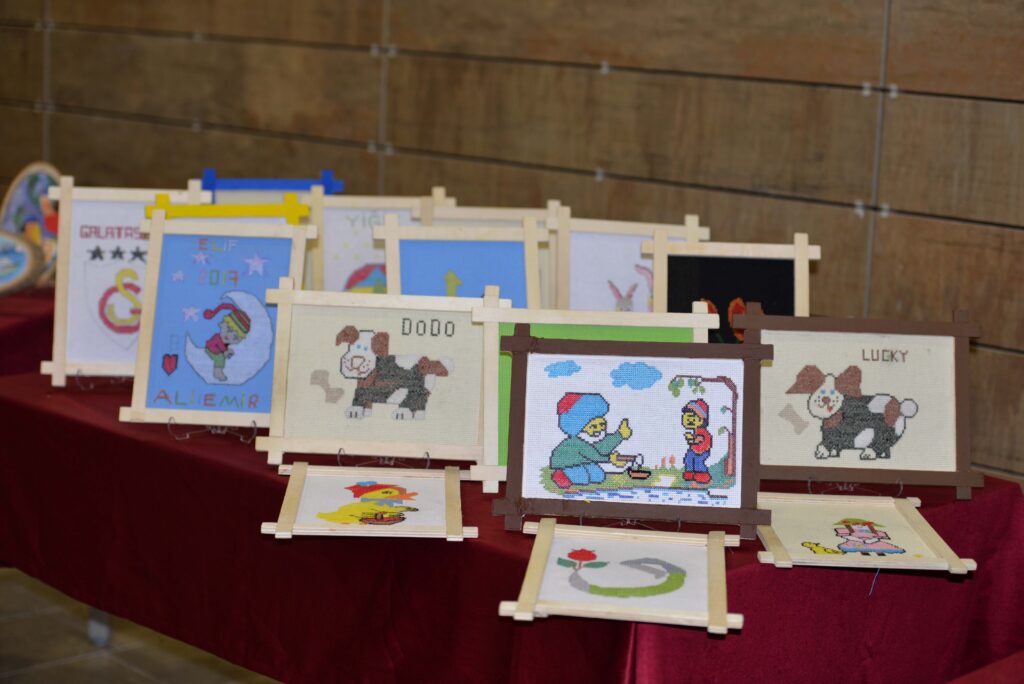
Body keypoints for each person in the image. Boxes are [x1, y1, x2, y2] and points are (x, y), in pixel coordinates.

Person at [550, 392, 632, 489]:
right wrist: (610, 459)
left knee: (599, 477)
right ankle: (561, 473)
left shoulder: (590, 440)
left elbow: (601, 448)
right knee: (582, 479)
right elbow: (594, 455)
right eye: (594, 426)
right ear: (580, 427)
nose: (600, 429)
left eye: (602, 424)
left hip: (584, 461)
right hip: (567, 463)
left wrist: (620, 435)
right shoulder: (576, 442)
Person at [202, 302, 250, 381]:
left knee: (222, 356)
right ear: (222, 324)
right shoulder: (217, 337)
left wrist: (227, 351)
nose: (229, 336)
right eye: (228, 329)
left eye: (235, 337)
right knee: (220, 358)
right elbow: (220, 345)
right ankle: (217, 372)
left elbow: (223, 347)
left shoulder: (225, 342)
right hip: (210, 349)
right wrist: (225, 351)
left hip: (216, 350)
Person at [681, 398, 713, 484]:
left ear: (701, 420)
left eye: (693, 419)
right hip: (694, 449)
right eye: (687, 418)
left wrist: (693, 439)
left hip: (702, 451)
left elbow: (701, 438)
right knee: (688, 459)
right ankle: (690, 473)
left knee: (698, 462)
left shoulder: (702, 430)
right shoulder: (696, 430)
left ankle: (702, 474)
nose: (690, 421)